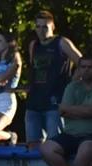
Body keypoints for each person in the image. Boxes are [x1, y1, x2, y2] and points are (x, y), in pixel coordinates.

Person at [25, 11, 82, 149]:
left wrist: (71, 85)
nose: (41, 30)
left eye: (45, 26)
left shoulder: (61, 43)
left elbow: (82, 62)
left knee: (56, 143)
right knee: (33, 143)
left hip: (55, 101)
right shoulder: (33, 45)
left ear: (53, 26)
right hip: (34, 100)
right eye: (38, 27)